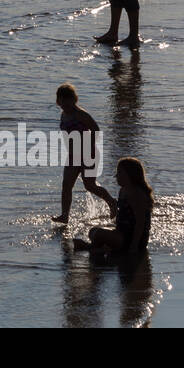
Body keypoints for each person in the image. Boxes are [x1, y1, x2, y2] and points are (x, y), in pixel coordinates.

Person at [50, 84, 117, 224]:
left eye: (66, 100)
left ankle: (112, 202)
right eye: (61, 101)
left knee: (90, 185)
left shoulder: (80, 114)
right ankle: (64, 216)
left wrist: (86, 146)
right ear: (58, 101)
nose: (64, 104)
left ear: (73, 99)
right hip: (73, 156)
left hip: (89, 153)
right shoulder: (63, 115)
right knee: (66, 185)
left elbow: (96, 130)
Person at [73, 158, 153, 255]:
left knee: (98, 234)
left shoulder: (136, 193)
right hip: (122, 232)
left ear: (130, 175)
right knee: (93, 231)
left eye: (119, 173)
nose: (116, 176)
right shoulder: (123, 190)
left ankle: (91, 248)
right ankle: (99, 248)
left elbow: (140, 223)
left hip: (132, 238)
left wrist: (134, 246)